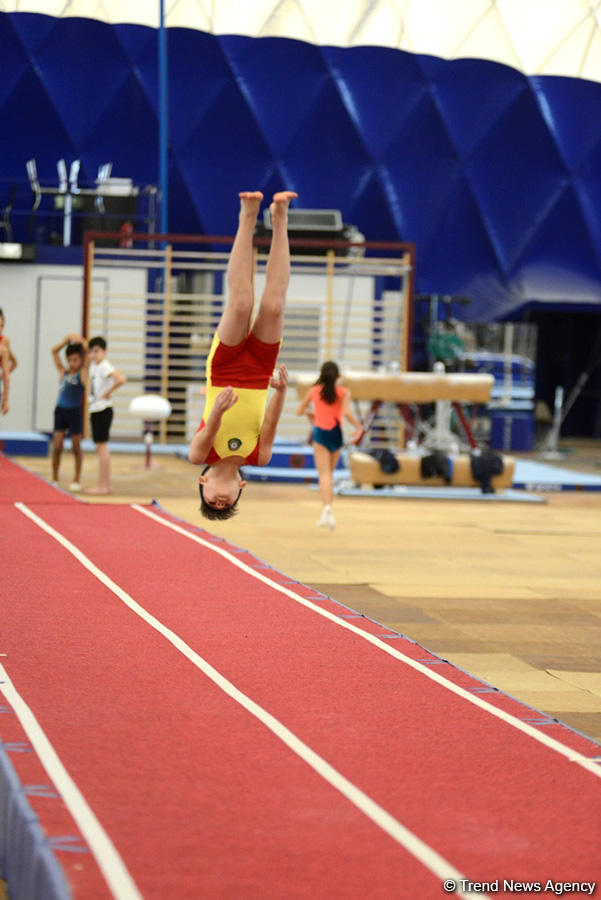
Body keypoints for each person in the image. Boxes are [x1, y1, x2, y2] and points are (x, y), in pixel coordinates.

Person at [188, 190, 296, 520]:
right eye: (227, 504)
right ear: (241, 489)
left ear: (202, 481)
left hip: (223, 373)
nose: (221, 501)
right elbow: (271, 422)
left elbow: (207, 434)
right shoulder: (258, 458)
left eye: (211, 502)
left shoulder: (198, 456)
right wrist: (280, 392)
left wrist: (218, 410)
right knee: (274, 305)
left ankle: (247, 216)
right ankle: (280, 218)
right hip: (258, 378)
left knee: (240, 304)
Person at [296, 360, 362, 530]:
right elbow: (346, 413)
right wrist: (358, 426)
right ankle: (327, 511)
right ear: (338, 376)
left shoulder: (314, 391)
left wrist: (313, 413)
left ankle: (327, 509)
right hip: (336, 434)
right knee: (329, 475)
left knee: (324, 475)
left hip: (320, 433)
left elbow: (299, 411)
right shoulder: (344, 392)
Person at [86, 336, 126, 494]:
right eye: (91, 352)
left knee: (102, 448)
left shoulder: (104, 365)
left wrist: (108, 393)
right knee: (100, 447)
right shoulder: (94, 366)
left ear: (104, 352)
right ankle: (106, 485)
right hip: (96, 408)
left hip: (103, 409)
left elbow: (121, 378)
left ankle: (103, 485)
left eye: (96, 351)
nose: (93, 355)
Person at [51, 334, 88, 490]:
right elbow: (54, 351)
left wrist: (82, 342)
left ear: (81, 360)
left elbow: (88, 356)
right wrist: (64, 341)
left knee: (76, 447)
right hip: (60, 411)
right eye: (70, 360)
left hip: (74, 412)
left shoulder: (83, 373)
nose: (72, 363)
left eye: (76, 360)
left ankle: (76, 479)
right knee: (57, 446)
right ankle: (54, 478)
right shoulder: (63, 371)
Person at [0, 308, 18, 373]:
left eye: (2, 326)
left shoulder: (4, 341)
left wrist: (2, 377)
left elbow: (15, 363)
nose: (1, 330)